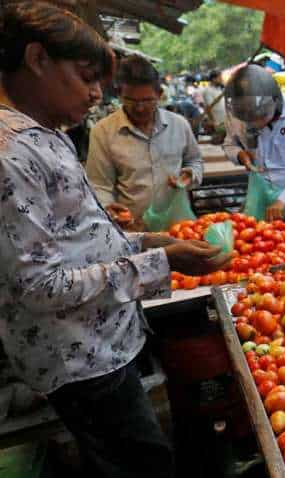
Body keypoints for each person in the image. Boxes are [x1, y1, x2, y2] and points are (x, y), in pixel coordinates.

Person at [0, 4, 231, 477]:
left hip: (100, 342)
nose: (95, 93)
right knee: (141, 465)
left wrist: (145, 241)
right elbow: (41, 286)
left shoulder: (43, 133)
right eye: (86, 77)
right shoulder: (9, 152)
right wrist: (161, 262)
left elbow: (75, 237)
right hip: (80, 357)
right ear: (37, 58)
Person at [86, 55, 203, 227]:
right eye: (131, 100)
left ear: (160, 94)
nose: (140, 108)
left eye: (147, 100)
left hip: (180, 228)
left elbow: (195, 161)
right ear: (119, 94)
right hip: (133, 231)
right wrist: (108, 208)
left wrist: (189, 175)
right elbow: (99, 185)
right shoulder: (103, 132)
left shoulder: (179, 125)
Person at [222, 64, 285, 220]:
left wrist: (284, 200)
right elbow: (229, 144)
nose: (255, 124)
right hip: (257, 200)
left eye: (260, 117)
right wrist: (240, 155)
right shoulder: (236, 115)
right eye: (248, 119)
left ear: (275, 102)